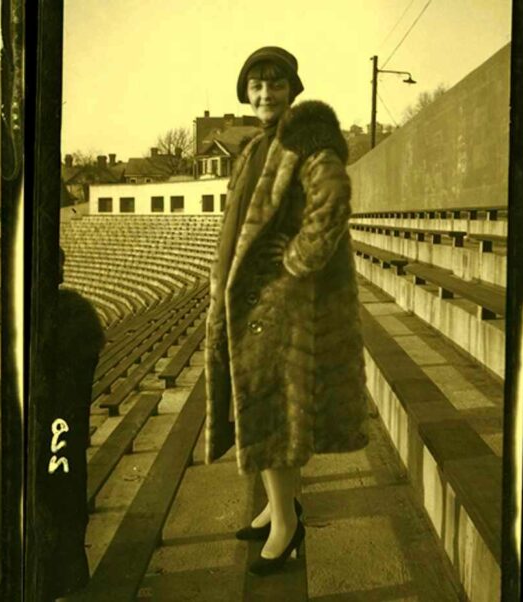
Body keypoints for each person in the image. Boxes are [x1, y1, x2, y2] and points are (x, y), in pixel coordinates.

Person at [203, 47, 369, 575]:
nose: (265, 94)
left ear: (293, 90)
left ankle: (286, 527)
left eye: (275, 85)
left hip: (283, 305)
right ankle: (279, 507)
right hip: (250, 299)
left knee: (270, 414)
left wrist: (294, 263)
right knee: (274, 412)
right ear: (245, 92)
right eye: (256, 85)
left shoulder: (307, 137)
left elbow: (333, 201)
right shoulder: (256, 148)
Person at [35, 248, 105, 600]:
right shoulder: (72, 317)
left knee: (62, 495)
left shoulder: (70, 318)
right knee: (65, 494)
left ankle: (65, 575)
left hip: (60, 424)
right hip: (63, 426)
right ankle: (69, 574)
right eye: (57, 265)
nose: (63, 271)